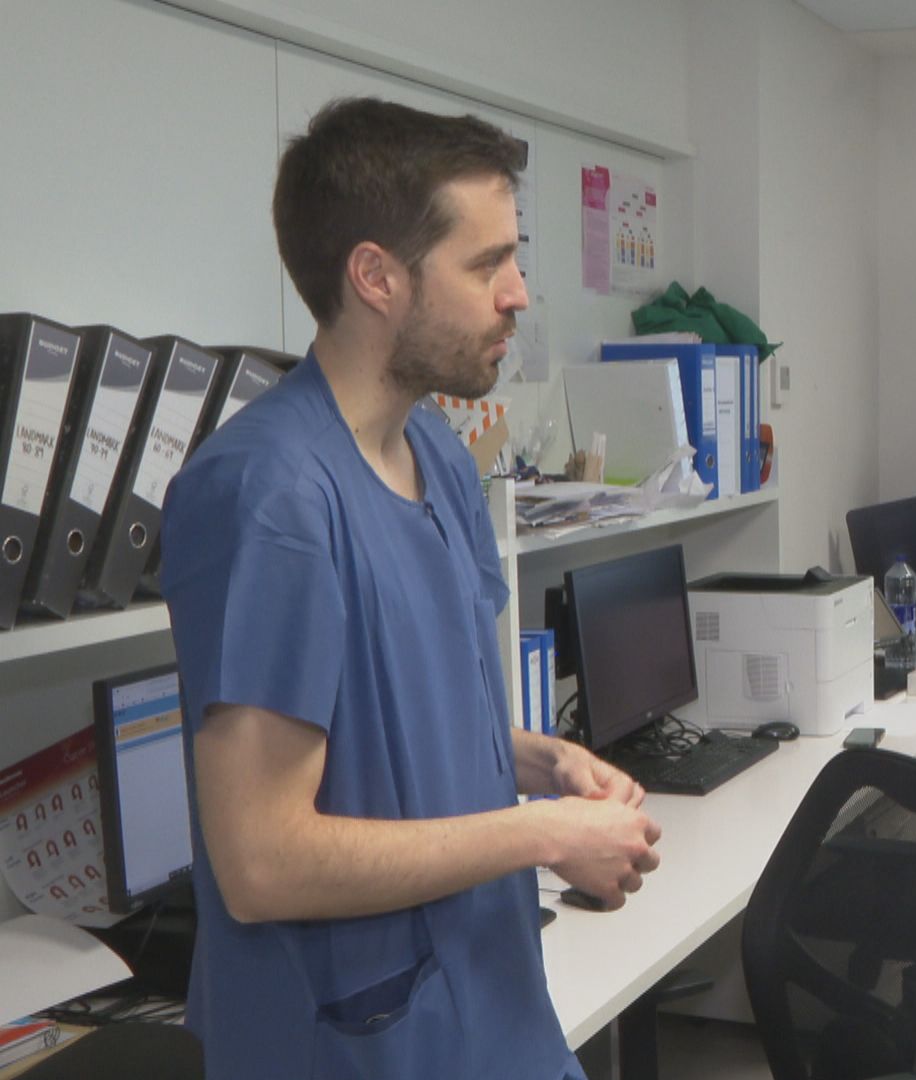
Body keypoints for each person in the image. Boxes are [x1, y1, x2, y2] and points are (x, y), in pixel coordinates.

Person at [162, 98, 662, 1079]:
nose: (518, 294)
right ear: (376, 277)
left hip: (495, 1013)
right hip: (360, 1043)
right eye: (486, 265)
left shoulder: (435, 451)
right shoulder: (271, 498)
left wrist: (547, 762)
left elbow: (407, 727)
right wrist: (543, 834)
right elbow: (261, 861)